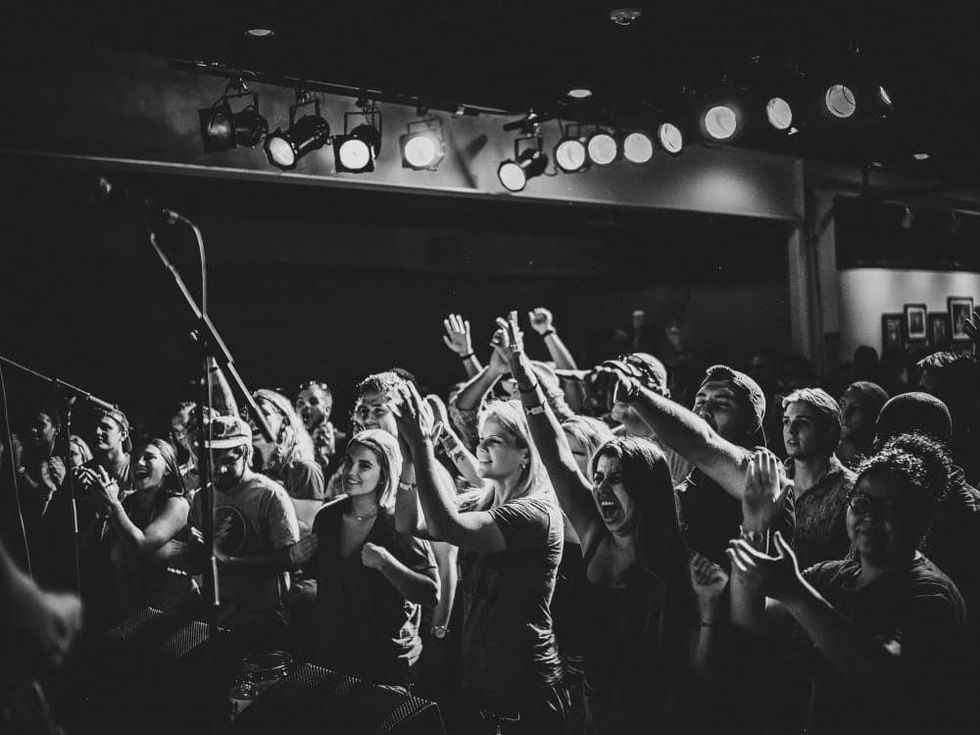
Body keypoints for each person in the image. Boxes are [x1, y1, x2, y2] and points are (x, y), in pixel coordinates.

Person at [494, 315, 692, 733]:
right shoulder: (595, 531)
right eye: (597, 476)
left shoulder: (677, 554)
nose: (600, 489)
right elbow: (556, 455)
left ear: (646, 488)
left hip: (654, 714)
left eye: (616, 479)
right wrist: (522, 372)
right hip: (588, 703)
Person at [729, 435, 970, 735]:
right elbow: (750, 619)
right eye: (862, 502)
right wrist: (755, 524)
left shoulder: (931, 592)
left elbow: (884, 676)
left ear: (918, 521)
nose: (870, 515)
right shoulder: (832, 576)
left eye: (890, 508)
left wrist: (796, 593)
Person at [393, 380, 567, 734]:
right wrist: (409, 463)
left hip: (524, 683)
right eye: (481, 438)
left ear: (526, 454)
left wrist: (423, 444)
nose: (481, 447)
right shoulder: (479, 501)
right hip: (478, 677)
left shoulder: (536, 513)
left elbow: (447, 528)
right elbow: (408, 522)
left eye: (494, 441)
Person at [594, 362, 794, 567]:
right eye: (699, 402)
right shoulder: (692, 478)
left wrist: (634, 391)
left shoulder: (763, 465)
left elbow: (704, 443)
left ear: (751, 423)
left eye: (722, 404)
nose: (704, 411)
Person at [292, 429, 438, 686]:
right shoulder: (327, 517)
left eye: (364, 465)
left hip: (386, 665)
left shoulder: (398, 523)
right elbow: (324, 579)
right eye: (349, 461)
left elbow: (429, 593)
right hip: (334, 658)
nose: (351, 472)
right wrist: (299, 557)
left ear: (385, 474)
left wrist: (386, 563)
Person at [184, 415, 300, 648]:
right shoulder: (201, 497)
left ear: (246, 453)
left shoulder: (269, 495)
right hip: (217, 615)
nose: (218, 468)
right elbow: (197, 566)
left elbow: (290, 559)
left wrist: (231, 560)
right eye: (211, 460)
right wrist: (196, 551)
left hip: (261, 618)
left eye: (227, 459)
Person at [90, 438, 196, 620]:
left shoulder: (177, 505)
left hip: (170, 620)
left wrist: (114, 505)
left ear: (168, 468)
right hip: (130, 615)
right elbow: (97, 554)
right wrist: (102, 513)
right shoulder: (127, 503)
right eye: (135, 458)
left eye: (149, 457)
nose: (139, 462)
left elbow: (142, 545)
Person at [781, 388, 855, 567]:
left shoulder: (851, 490)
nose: (790, 430)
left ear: (828, 430)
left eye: (802, 423)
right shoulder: (773, 480)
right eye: (786, 421)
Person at [252, 388, 325, 535]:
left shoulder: (303, 469)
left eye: (263, 414)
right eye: (248, 417)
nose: (253, 422)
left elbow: (308, 530)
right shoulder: (253, 468)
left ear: (284, 419)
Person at [836, 381, 889, 468]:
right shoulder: (824, 457)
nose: (845, 414)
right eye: (843, 404)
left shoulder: (884, 463)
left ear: (875, 415)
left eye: (857, 408)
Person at [295, 380, 341, 473]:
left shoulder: (343, 443)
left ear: (327, 410)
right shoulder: (289, 443)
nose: (306, 406)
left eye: (313, 401)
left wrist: (331, 458)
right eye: (301, 402)